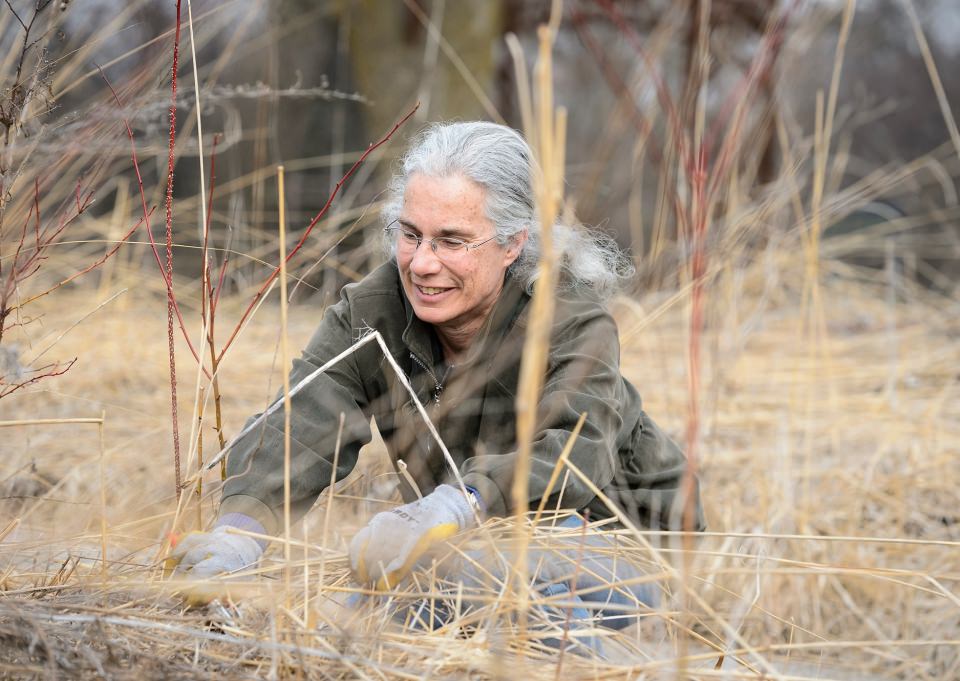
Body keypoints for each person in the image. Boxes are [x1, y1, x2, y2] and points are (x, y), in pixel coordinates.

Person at [170, 121, 705, 646]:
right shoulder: (371, 311)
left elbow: (573, 452)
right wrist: (239, 532)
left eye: (452, 240)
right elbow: (303, 422)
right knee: (372, 615)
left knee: (461, 581)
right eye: (410, 235)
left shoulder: (570, 321)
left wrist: (454, 505)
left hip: (621, 538)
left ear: (514, 244)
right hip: (475, 537)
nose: (422, 264)